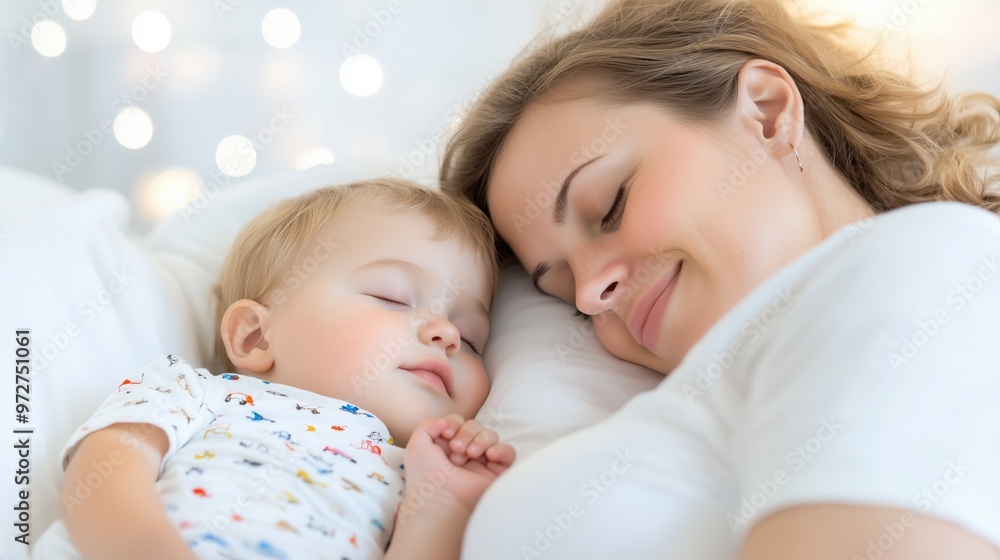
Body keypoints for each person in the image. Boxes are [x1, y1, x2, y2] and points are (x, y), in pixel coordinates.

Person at [441, 0, 1000, 558]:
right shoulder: (691, 412)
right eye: (562, 292)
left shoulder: (928, 265)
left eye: (610, 205)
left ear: (767, 111)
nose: (590, 294)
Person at [37, 179, 515, 560]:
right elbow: (102, 478)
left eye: (471, 338)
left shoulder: (417, 472)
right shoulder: (195, 391)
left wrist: (443, 505)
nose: (448, 335)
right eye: (392, 298)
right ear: (256, 336)